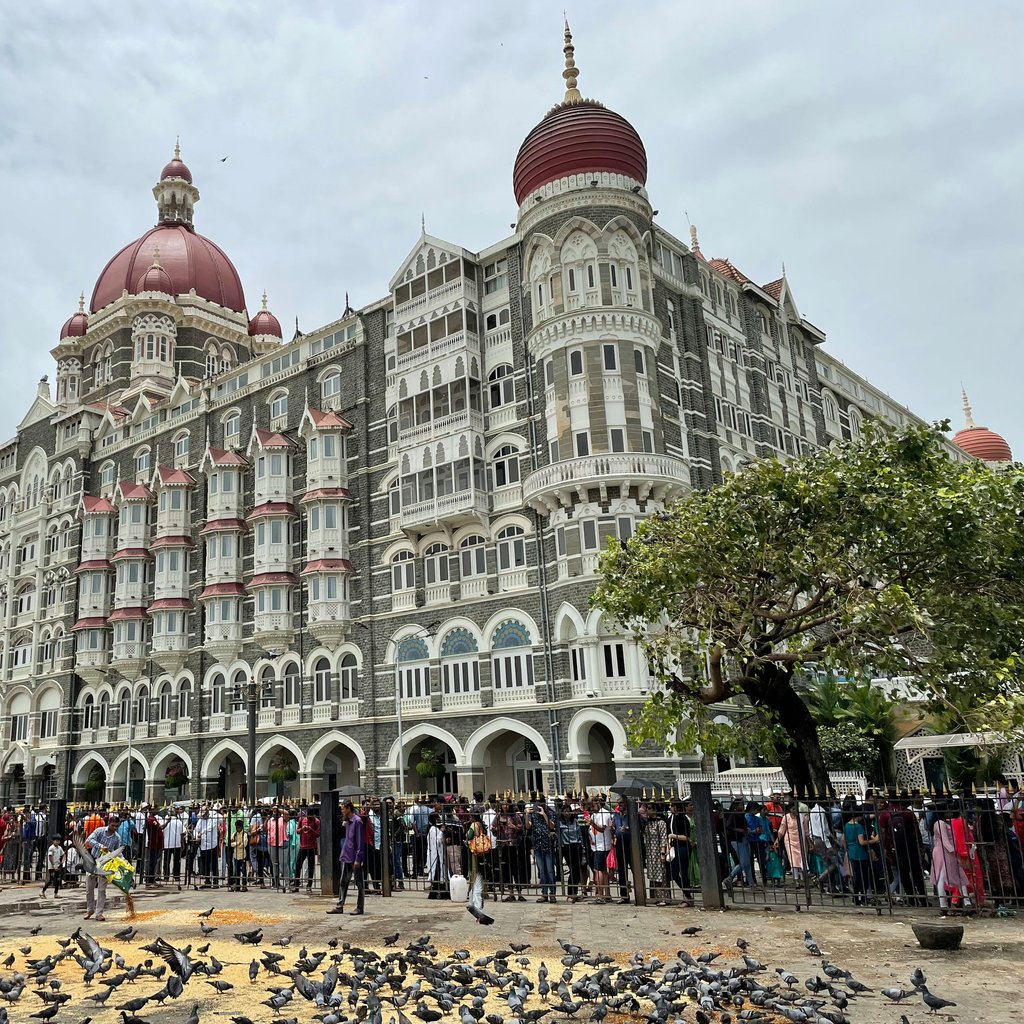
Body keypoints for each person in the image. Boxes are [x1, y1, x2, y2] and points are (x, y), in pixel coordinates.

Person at [328, 800, 366, 916]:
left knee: (359, 883)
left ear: (348, 808)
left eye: (343, 808)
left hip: (354, 856)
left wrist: (358, 859)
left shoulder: (357, 821)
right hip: (347, 855)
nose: (342, 811)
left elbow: (359, 842)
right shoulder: (348, 822)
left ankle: (360, 907)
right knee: (343, 881)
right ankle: (340, 905)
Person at [84, 817, 122, 921]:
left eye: (116, 826)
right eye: (112, 825)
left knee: (101, 890)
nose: (114, 828)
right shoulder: (99, 831)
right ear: (108, 823)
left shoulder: (117, 837)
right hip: (93, 861)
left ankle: (99, 913)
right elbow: (89, 840)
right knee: (89, 889)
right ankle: (89, 910)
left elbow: (117, 851)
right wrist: (100, 846)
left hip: (106, 865)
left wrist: (123, 861)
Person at [843, 809, 878, 906]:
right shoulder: (858, 827)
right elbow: (862, 842)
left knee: (856, 876)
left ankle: (856, 898)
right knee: (864, 877)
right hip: (861, 854)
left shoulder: (846, 825)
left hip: (852, 852)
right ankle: (863, 897)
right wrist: (874, 840)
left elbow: (844, 840)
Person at [525, 799, 556, 903]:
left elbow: (552, 826)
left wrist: (544, 815)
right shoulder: (533, 813)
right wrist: (526, 815)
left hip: (548, 845)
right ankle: (544, 893)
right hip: (537, 844)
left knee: (550, 870)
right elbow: (528, 826)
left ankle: (552, 893)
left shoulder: (550, 812)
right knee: (542, 870)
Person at [589, 797, 614, 904]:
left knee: (598, 870)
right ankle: (606, 894)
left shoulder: (604, 814)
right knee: (602, 870)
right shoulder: (594, 814)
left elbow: (602, 829)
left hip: (603, 846)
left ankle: (600, 894)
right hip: (596, 845)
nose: (591, 807)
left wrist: (592, 823)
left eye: (592, 805)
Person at [775, 804, 807, 884]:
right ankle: (796, 880)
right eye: (793, 809)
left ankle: (802, 878)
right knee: (793, 860)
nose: (795, 811)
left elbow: (806, 831)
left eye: (796, 809)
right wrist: (777, 841)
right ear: (789, 809)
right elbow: (781, 830)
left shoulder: (802, 817)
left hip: (800, 840)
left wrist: (809, 842)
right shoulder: (786, 817)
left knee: (801, 859)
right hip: (789, 840)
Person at [291, 806, 320, 891]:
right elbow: (297, 831)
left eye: (310, 816)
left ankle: (309, 885)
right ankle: (296, 885)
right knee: (298, 865)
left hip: (311, 847)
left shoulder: (316, 821)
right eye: (308, 815)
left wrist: (311, 830)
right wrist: (302, 829)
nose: (308, 817)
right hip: (302, 846)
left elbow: (318, 834)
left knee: (311, 866)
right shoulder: (302, 820)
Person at [426, 812, 449, 899]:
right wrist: (442, 832)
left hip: (438, 854)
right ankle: (436, 893)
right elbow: (438, 841)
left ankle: (440, 892)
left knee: (439, 874)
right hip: (436, 855)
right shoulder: (433, 829)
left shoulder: (434, 829)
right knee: (437, 873)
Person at [268, 807, 290, 891]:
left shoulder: (283, 819)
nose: (274, 811)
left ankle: (287, 883)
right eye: (273, 810)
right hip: (272, 843)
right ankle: (276, 883)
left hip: (282, 842)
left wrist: (278, 809)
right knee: (275, 864)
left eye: (275, 810)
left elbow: (287, 814)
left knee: (283, 863)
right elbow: (267, 830)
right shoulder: (271, 820)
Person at [162, 807, 184, 887]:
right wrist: (182, 843)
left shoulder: (164, 820)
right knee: (176, 861)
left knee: (166, 861)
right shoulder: (179, 822)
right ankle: (176, 875)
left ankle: (166, 876)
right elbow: (182, 834)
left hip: (167, 843)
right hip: (176, 843)